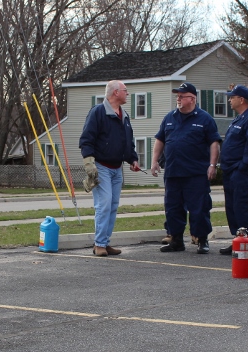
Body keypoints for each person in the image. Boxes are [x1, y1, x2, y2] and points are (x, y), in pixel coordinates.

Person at [150, 82, 220, 254]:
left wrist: (212, 164)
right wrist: (154, 161)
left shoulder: (204, 119)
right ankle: (176, 239)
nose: (178, 99)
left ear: (192, 98)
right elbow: (160, 140)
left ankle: (202, 239)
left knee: (199, 208)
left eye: (182, 96)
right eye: (177, 96)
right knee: (173, 207)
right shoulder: (169, 118)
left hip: (196, 173)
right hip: (173, 171)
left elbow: (214, 143)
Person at [79, 80, 141, 257]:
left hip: (117, 168)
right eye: (125, 90)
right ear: (115, 93)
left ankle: (105, 242)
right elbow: (86, 138)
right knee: (104, 204)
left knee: (112, 206)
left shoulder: (124, 115)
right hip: (102, 167)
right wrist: (89, 163)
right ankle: (99, 244)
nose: (127, 93)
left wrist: (133, 159)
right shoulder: (98, 112)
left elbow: (127, 142)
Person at [218, 85, 248, 257]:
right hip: (230, 170)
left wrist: (244, 166)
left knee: (242, 206)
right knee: (232, 207)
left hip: (240, 170)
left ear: (241, 99)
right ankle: (238, 240)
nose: (229, 100)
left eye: (232, 97)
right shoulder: (238, 119)